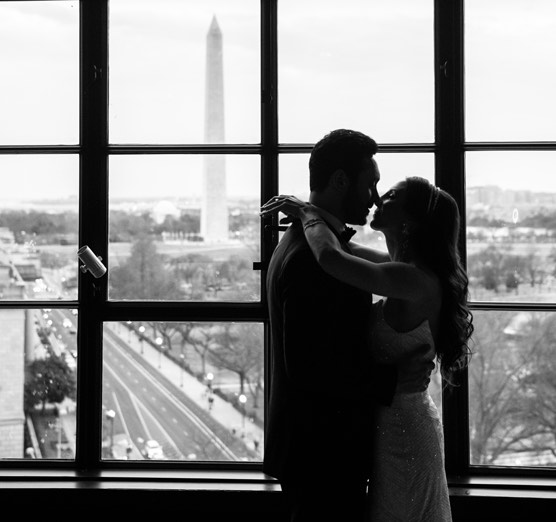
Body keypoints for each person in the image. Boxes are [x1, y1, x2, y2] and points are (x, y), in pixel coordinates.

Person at [261, 174, 474, 521]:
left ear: (411, 221)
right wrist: (314, 215)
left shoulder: (414, 279)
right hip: (386, 425)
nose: (377, 200)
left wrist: (308, 213)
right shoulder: (404, 270)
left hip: (405, 431)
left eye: (390, 196)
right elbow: (345, 250)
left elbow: (332, 258)